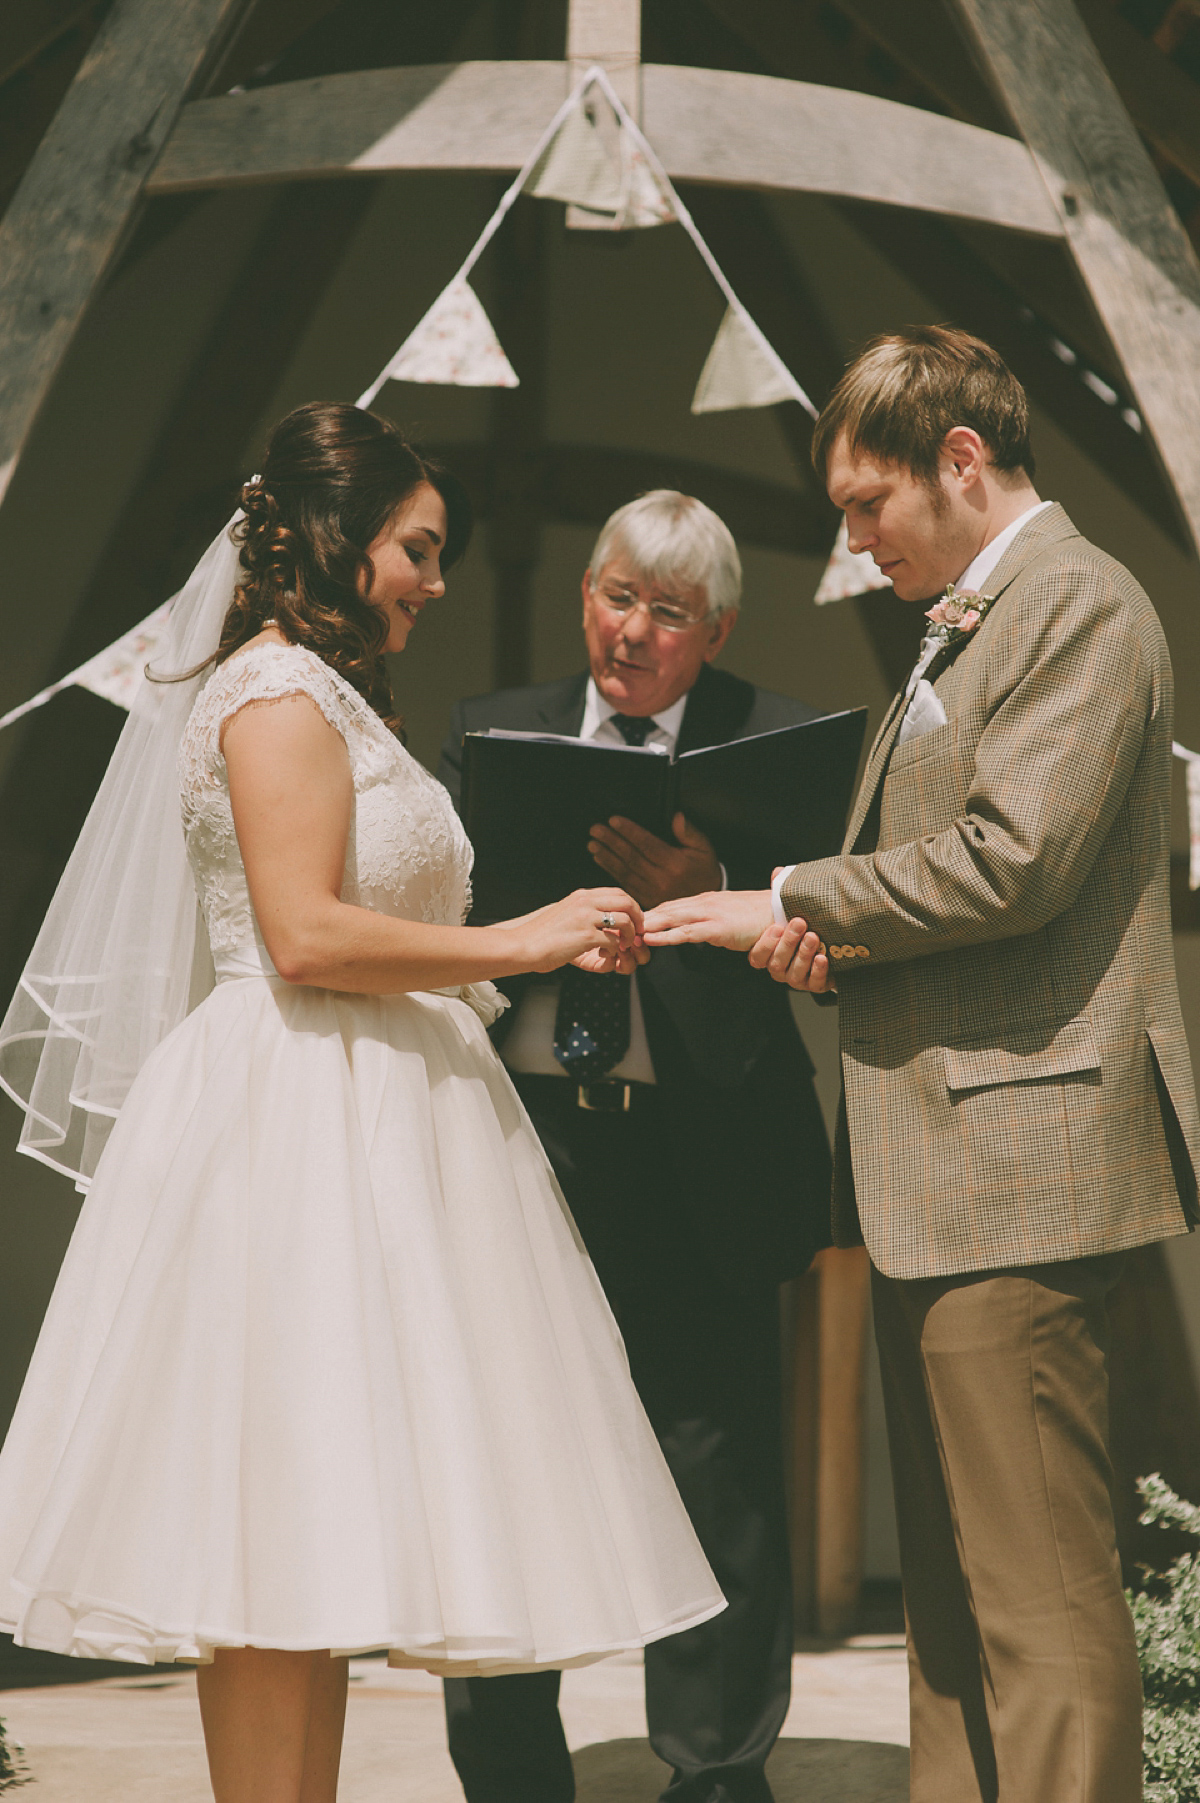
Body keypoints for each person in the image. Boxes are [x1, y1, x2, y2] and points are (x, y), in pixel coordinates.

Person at [0, 405, 725, 1803]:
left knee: (319, 1564)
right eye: (418, 548)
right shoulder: (273, 695)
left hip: (375, 1125)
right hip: (291, 1136)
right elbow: (304, 937)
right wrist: (529, 939)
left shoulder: (339, 700)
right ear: (337, 539)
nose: (435, 581)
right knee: (268, 1547)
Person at [641, 327, 1200, 1803]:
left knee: (1042, 1603)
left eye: (865, 503)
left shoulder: (1079, 602)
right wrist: (834, 951)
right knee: (952, 1613)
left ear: (963, 461)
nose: (852, 540)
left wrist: (796, 898)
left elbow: (1015, 861)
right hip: (939, 1170)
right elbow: (960, 891)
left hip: (1022, 1166)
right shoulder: (968, 618)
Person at [436, 490, 832, 1803]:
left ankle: (717, 1775)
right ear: (584, 594)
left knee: (715, 1471)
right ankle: (507, 1772)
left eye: (668, 613)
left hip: (695, 1147)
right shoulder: (499, 734)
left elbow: (817, 976)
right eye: (617, 596)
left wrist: (704, 908)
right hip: (531, 1148)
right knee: (504, 1467)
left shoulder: (770, 749)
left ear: (713, 630)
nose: (634, 632)